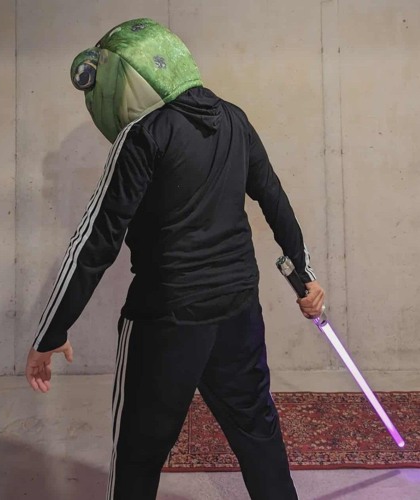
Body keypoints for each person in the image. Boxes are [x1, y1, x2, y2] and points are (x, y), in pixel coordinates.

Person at [25, 18, 325, 500]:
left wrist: (51, 332)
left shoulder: (143, 134)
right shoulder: (234, 118)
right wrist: (303, 276)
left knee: (139, 452)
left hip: (166, 318)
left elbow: (95, 241)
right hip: (238, 307)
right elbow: (274, 198)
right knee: (257, 430)